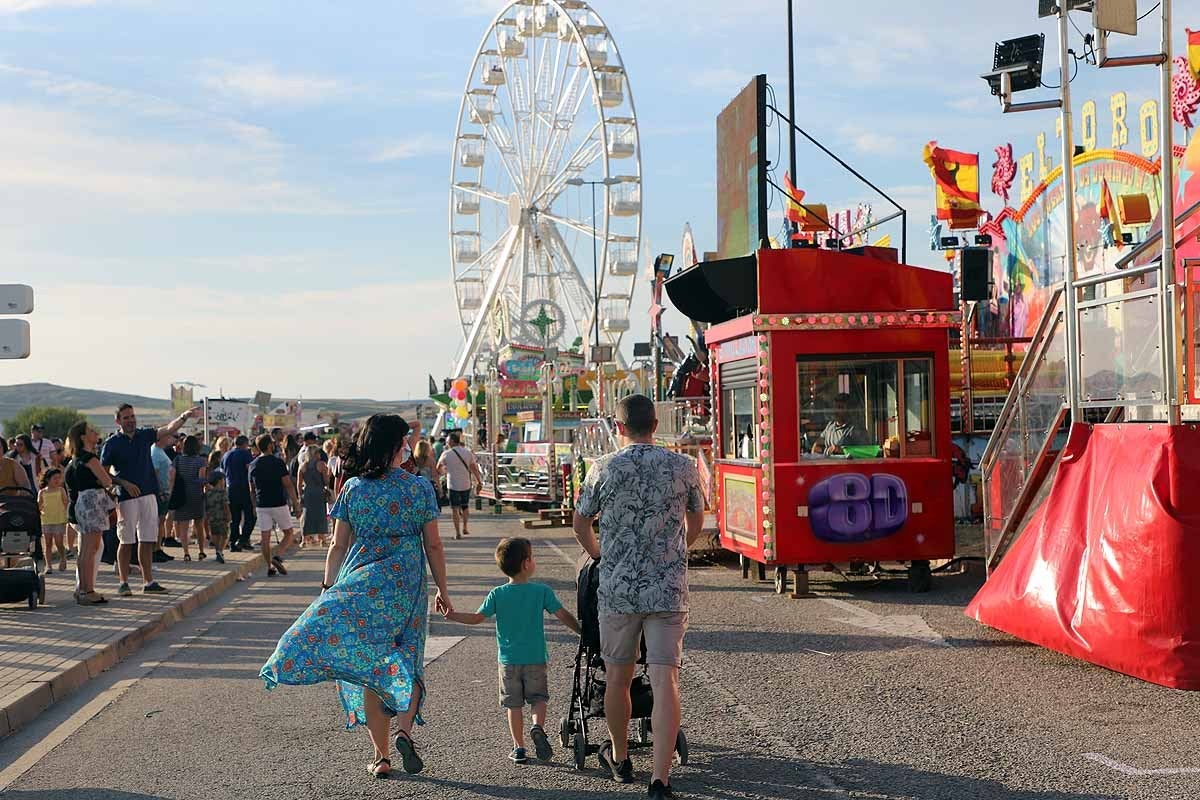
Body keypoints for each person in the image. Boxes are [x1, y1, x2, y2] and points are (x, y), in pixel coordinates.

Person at [260, 414, 451, 779]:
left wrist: (327, 588)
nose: (407, 447)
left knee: (370, 667)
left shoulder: (353, 488)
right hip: (407, 585)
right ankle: (404, 732)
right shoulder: (419, 488)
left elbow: (337, 545)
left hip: (361, 584)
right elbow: (434, 545)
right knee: (407, 657)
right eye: (403, 442)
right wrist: (444, 589)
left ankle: (381, 757)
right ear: (394, 446)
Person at [572, 394, 705, 798]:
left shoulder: (603, 467)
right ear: (655, 425)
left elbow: (580, 522)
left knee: (618, 677)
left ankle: (621, 757)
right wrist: (678, 551)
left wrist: (600, 554)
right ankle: (660, 779)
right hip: (667, 589)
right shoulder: (683, 466)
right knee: (666, 680)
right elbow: (697, 518)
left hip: (619, 590)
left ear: (619, 427)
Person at [445, 537, 580, 764]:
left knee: (513, 705)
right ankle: (537, 727)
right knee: (538, 699)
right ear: (526, 563)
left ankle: (519, 748)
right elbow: (563, 615)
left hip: (508, 661)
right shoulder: (542, 591)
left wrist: (452, 615)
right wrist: (581, 631)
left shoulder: (497, 594)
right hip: (535, 658)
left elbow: (477, 618)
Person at [101, 403, 201, 596]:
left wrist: (184, 416)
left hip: (148, 495)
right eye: (126, 417)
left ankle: (148, 582)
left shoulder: (144, 435)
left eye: (132, 416)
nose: (131, 420)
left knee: (147, 540)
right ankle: (123, 582)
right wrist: (122, 483)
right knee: (126, 541)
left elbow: (168, 429)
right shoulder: (112, 443)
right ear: (118, 421)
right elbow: (104, 473)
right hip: (127, 498)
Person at [63, 421, 114, 604]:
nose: (95, 433)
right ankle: (88, 590)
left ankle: (82, 590)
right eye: (91, 431)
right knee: (91, 549)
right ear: (83, 437)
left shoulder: (75, 459)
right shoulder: (90, 459)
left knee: (85, 549)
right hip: (93, 503)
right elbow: (107, 481)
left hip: (82, 504)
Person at [248, 434, 299, 577]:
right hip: (278, 503)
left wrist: (254, 505)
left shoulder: (253, 465)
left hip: (261, 504)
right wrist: (296, 503)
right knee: (289, 533)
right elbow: (288, 484)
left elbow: (251, 489)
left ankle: (269, 566)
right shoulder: (278, 462)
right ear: (270, 446)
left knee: (265, 537)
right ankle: (278, 556)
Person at [436, 431, 482, 540]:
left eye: (447, 441)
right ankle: (465, 527)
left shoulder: (446, 454)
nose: (446, 443)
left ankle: (457, 533)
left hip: (452, 484)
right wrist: (479, 481)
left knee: (455, 509)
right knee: (465, 506)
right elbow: (474, 468)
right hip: (466, 484)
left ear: (452, 441)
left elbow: (438, 468)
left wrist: (444, 472)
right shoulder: (467, 452)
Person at [172, 435, 208, 561]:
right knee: (199, 525)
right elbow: (201, 479)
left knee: (184, 526)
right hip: (196, 495)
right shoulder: (201, 461)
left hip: (181, 495)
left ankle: (186, 553)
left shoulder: (177, 460)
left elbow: (172, 476)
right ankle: (201, 551)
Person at [222, 436, 256, 552]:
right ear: (245, 444)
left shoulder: (226, 455)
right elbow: (250, 469)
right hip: (244, 488)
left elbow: (223, 471)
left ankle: (233, 542)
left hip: (230, 488)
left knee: (235, 518)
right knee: (250, 516)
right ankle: (243, 539)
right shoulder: (245, 454)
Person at [151, 431, 178, 559]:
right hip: (160, 492)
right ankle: (155, 549)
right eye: (167, 436)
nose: (169, 438)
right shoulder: (155, 452)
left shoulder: (160, 451)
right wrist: (160, 491)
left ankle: (158, 547)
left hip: (165, 491)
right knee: (158, 521)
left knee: (161, 521)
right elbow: (155, 473)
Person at [297, 443, 330, 547]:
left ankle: (304, 539)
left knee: (307, 516)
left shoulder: (302, 466)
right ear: (315, 454)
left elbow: (299, 484)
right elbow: (326, 481)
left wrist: (300, 496)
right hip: (319, 492)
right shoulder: (321, 465)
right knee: (320, 515)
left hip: (307, 493)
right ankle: (322, 539)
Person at [38, 468, 70, 572]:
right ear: (48, 479)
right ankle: (49, 566)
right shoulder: (42, 492)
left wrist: (68, 517)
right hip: (46, 520)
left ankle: (63, 558)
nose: (57, 480)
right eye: (55, 478)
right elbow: (39, 505)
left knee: (59, 542)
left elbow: (66, 503)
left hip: (59, 520)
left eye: (59, 478)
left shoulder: (61, 490)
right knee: (48, 543)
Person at [205, 470, 231, 564]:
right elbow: (225, 505)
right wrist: (229, 515)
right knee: (224, 535)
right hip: (222, 517)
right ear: (220, 481)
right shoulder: (222, 492)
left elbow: (206, 506)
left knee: (215, 534)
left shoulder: (208, 493)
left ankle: (217, 550)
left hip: (212, 517)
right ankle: (220, 550)